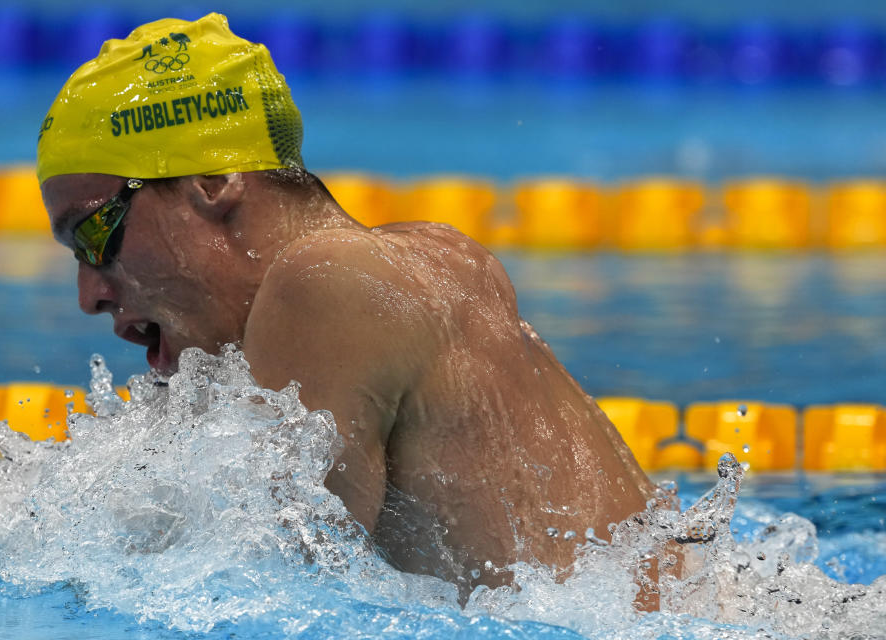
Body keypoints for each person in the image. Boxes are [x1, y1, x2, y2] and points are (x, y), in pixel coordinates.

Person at [37, 13, 657, 597]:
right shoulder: (424, 257)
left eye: (94, 236)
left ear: (213, 183)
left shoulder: (324, 282)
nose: (91, 294)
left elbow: (267, 590)